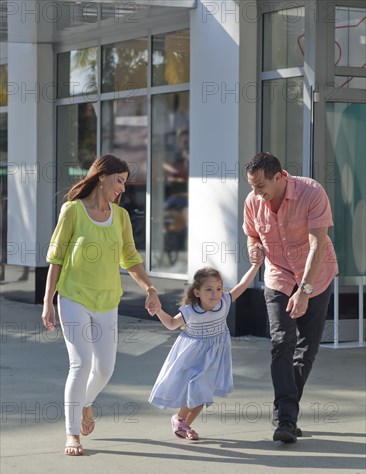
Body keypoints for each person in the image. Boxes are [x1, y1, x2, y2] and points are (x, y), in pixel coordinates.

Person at [41, 154, 161, 456]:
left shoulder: (119, 217)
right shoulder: (72, 211)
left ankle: (84, 404)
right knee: (80, 363)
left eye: (124, 182)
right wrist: (48, 302)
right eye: (118, 180)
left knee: (105, 369)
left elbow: (130, 258)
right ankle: (72, 435)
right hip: (73, 297)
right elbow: (56, 258)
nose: (121, 188)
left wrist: (150, 288)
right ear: (101, 177)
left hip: (107, 300)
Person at [243, 152, 338, 443]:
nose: (255, 193)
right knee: (281, 342)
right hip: (278, 276)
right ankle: (286, 419)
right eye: (251, 186)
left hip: (316, 276)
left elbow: (316, 245)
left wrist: (305, 291)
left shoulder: (312, 192)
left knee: (306, 349)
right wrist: (253, 247)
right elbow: (252, 235)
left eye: (260, 186)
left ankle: (287, 408)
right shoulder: (253, 202)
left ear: (279, 176)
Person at [148, 263, 261, 440]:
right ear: (197, 292)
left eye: (218, 288)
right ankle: (179, 419)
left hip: (214, 356)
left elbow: (243, 285)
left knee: (202, 397)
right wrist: (158, 311)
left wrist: (256, 265)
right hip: (192, 355)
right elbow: (171, 324)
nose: (215, 293)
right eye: (208, 289)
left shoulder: (224, 302)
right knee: (196, 389)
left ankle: (182, 424)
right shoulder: (190, 311)